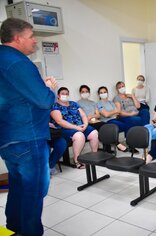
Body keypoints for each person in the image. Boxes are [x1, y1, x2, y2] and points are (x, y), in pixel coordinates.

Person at [0, 18, 57, 235]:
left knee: (18, 186)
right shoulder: (19, 63)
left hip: (7, 136)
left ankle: (14, 228)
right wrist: (49, 88)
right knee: (34, 191)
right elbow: (43, 100)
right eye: (31, 36)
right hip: (27, 136)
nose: (35, 41)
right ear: (17, 38)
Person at [51, 87, 99, 169]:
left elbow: (83, 115)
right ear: (58, 95)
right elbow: (59, 121)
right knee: (79, 136)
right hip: (65, 129)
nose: (65, 95)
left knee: (94, 133)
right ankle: (77, 160)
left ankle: (94, 156)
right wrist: (76, 127)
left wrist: (85, 124)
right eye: (63, 94)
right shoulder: (55, 106)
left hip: (80, 126)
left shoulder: (73, 104)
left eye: (66, 94)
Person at [96, 86, 131, 152]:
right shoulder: (98, 103)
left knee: (129, 122)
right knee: (120, 126)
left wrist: (110, 113)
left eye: (104, 92)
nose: (103, 94)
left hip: (115, 119)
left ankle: (129, 142)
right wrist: (113, 113)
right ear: (99, 94)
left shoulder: (110, 102)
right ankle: (117, 144)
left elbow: (118, 112)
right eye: (101, 92)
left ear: (107, 93)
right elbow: (106, 115)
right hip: (107, 121)